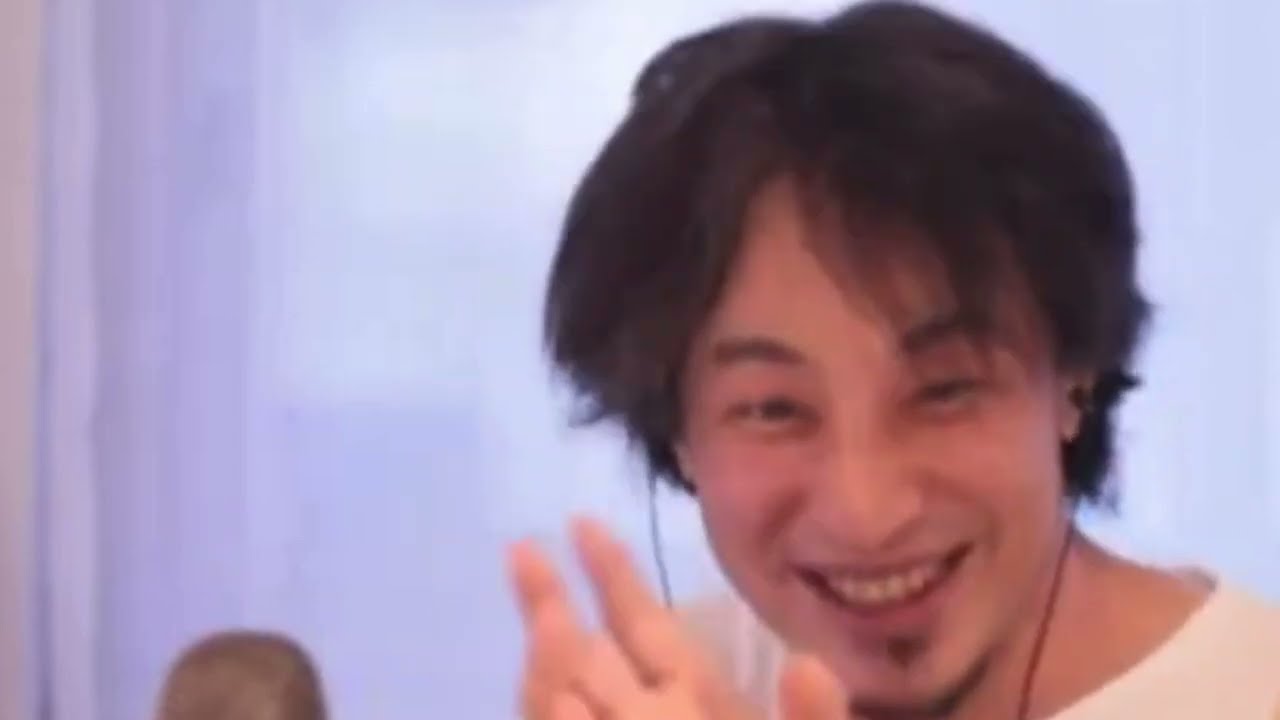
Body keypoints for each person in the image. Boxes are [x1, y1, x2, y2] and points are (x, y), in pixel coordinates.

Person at [508, 2, 1280, 718]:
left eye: (944, 391)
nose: (866, 514)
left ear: (1074, 378)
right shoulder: (660, 688)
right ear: (676, 428)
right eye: (773, 409)